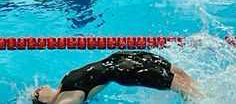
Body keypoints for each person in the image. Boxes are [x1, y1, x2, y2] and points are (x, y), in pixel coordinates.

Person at [31, 51, 200, 103]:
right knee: (181, 85)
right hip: (123, 71)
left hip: (118, 58)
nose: (37, 90)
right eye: (36, 95)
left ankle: (202, 94)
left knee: (179, 73)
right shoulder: (65, 101)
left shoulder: (62, 87)